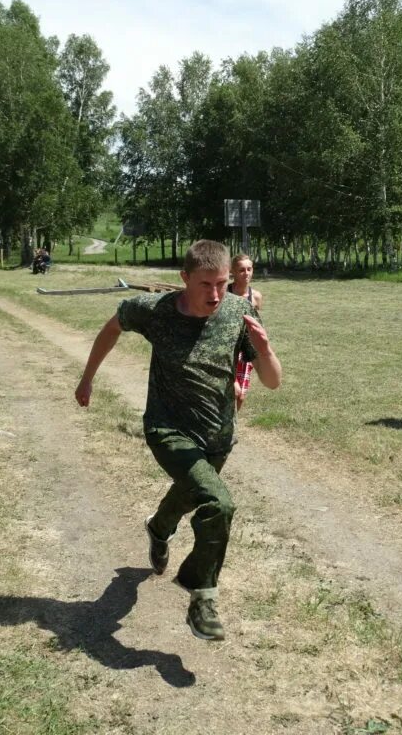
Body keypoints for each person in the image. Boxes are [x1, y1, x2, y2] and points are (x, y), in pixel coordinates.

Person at [75, 240, 282, 641]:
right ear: (184, 279)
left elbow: (273, 381)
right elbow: (112, 327)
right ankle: (201, 595)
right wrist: (87, 378)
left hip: (217, 435)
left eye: (222, 283)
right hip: (167, 429)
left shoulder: (239, 311)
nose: (215, 294)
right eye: (205, 285)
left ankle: (159, 527)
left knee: (193, 492)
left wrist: (266, 349)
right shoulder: (154, 311)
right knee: (218, 502)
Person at [229, 254, 264, 411]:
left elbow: (257, 321)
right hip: (227, 346)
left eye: (249, 269)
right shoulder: (225, 292)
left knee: (241, 394)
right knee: (229, 390)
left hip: (246, 348)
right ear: (233, 272)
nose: (246, 273)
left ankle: (233, 424)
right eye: (241, 270)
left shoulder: (255, 296)